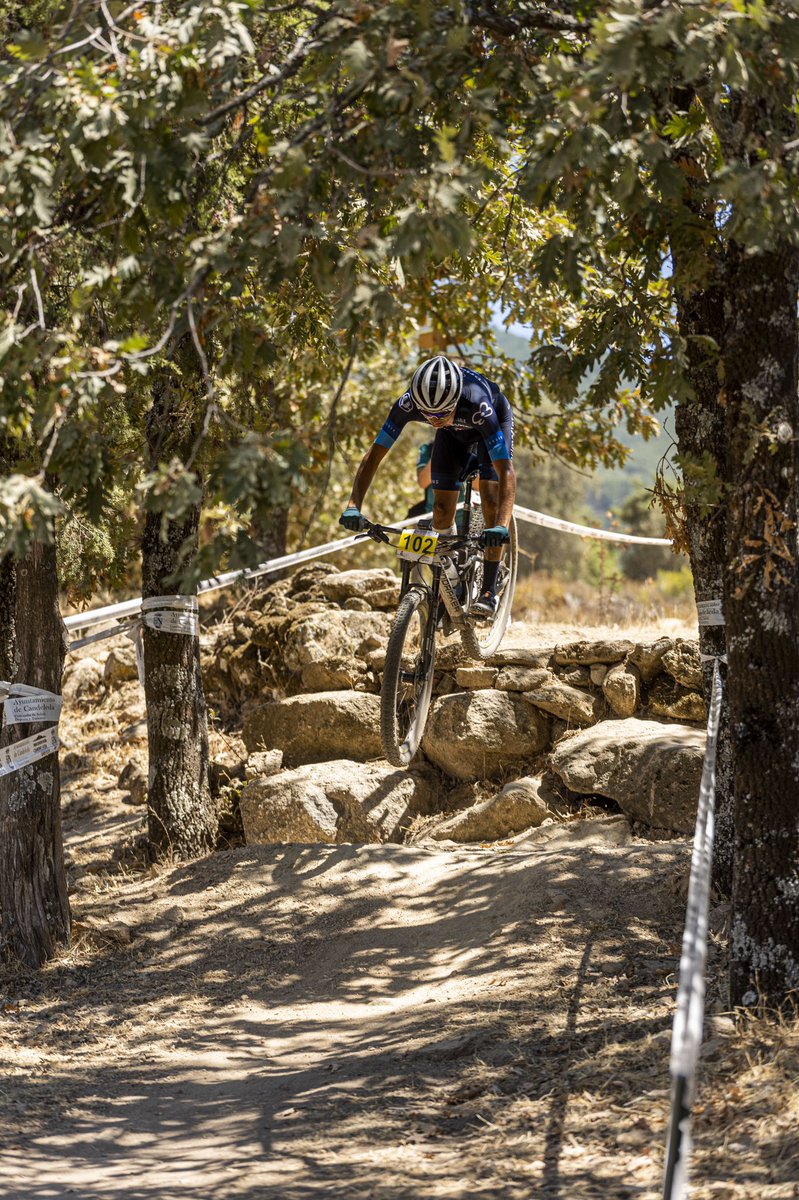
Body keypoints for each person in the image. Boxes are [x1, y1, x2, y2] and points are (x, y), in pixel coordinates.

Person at [340, 355, 516, 616]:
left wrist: (500, 524)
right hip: (451, 436)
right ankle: (453, 584)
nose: (434, 420)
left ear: (455, 399)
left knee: (490, 494)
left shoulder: (479, 405)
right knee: (442, 510)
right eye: (428, 416)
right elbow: (375, 455)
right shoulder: (408, 403)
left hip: (488, 426)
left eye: (441, 414)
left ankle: (489, 588)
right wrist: (353, 505)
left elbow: (507, 471)